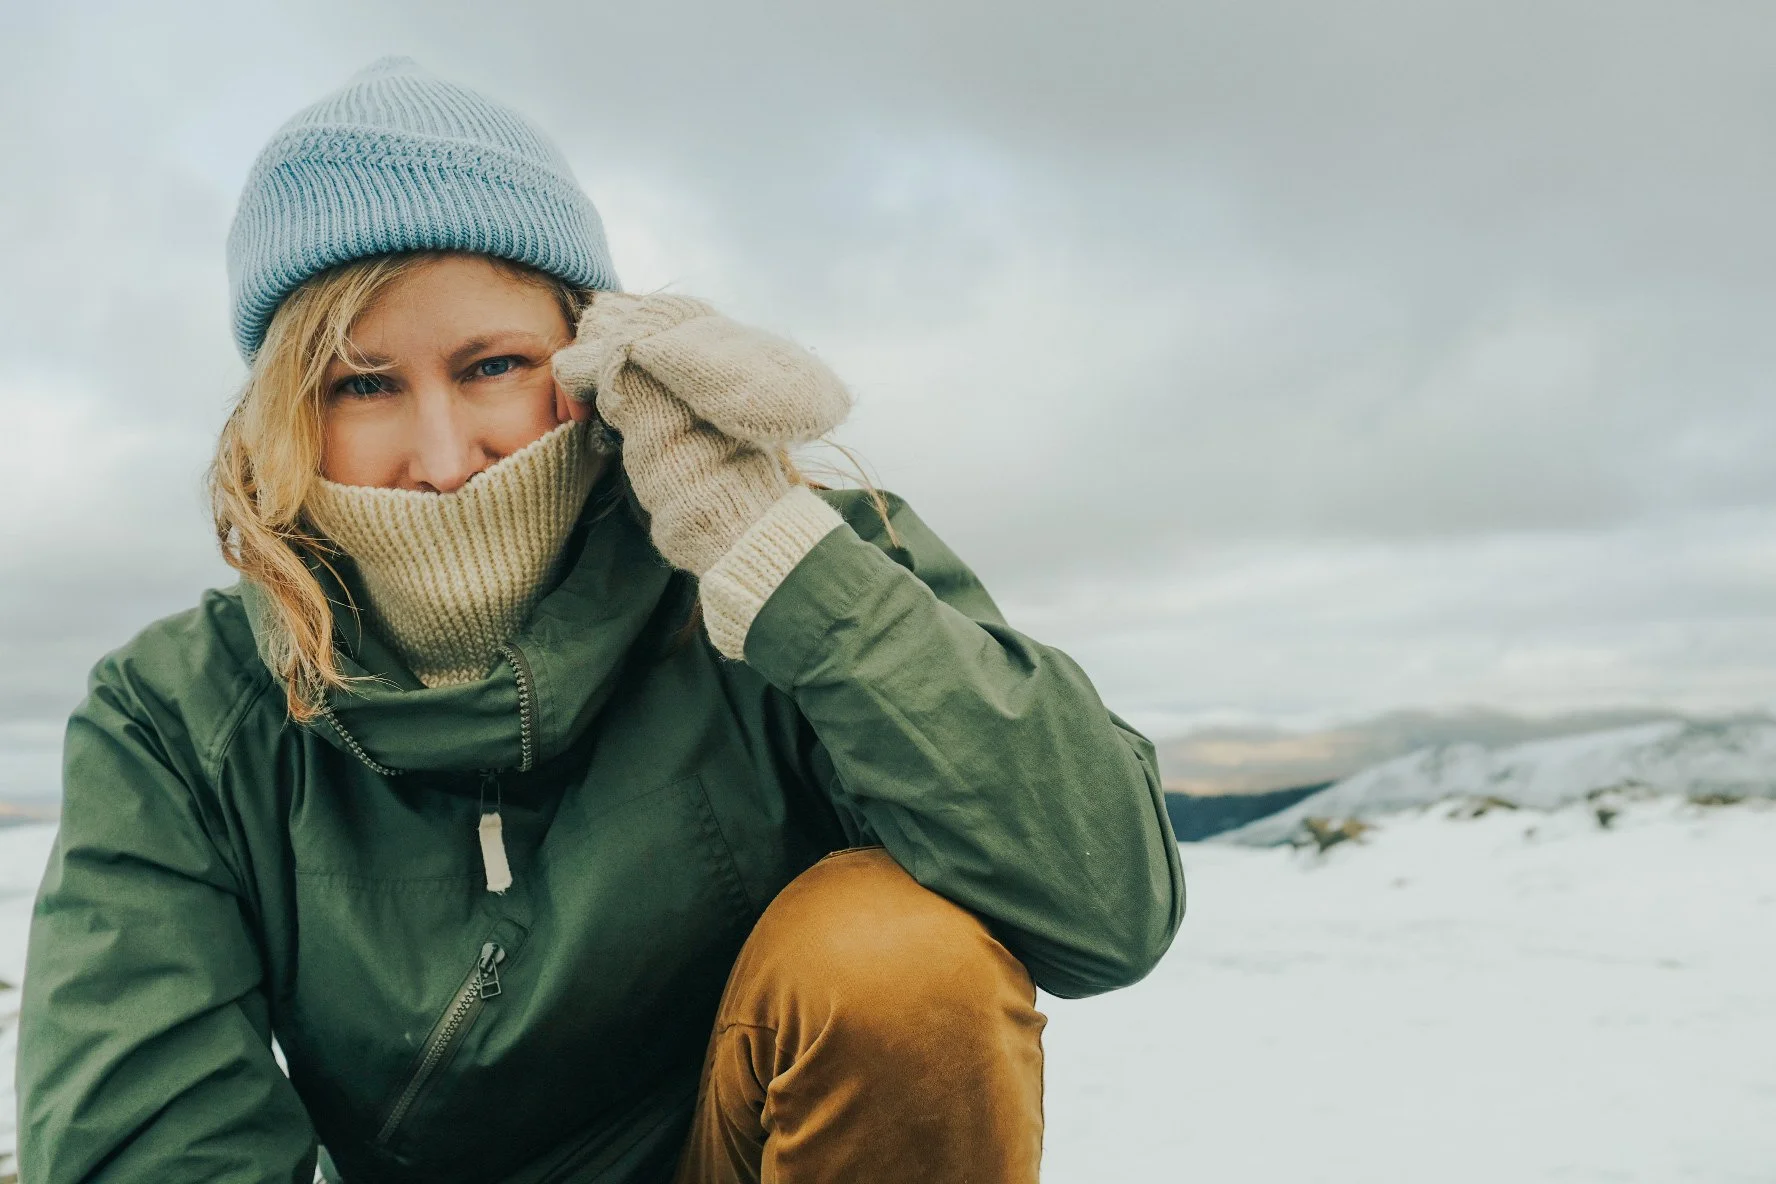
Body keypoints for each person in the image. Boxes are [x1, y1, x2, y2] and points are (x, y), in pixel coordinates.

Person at [16, 57, 1185, 1184]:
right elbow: (152, 1140)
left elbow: (1106, 910)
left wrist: (771, 558)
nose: (441, 457)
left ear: (587, 361)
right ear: (285, 412)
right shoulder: (178, 710)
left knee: (896, 955)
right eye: (361, 383)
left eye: (492, 366)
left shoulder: (780, 565)